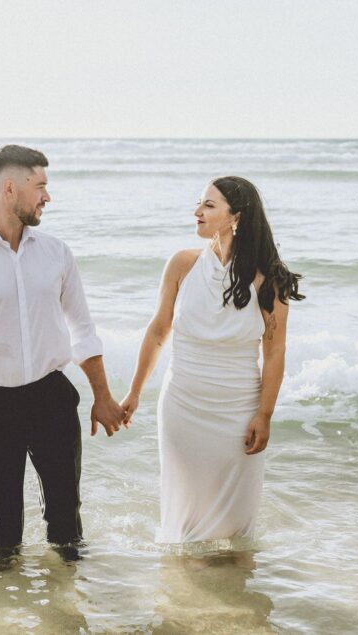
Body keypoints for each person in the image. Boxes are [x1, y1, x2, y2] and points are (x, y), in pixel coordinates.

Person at [0, 144, 125, 552]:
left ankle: (67, 611)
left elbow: (83, 330)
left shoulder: (57, 253)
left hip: (52, 398)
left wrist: (102, 396)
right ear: (10, 189)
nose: (47, 197)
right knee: (1, 533)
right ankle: (1, 613)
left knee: (67, 524)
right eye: (40, 186)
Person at [120, 176, 303, 546]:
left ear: (235, 217)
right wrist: (134, 392)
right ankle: (185, 595)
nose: (197, 211)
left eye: (208, 205)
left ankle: (234, 592)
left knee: (235, 528)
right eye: (199, 203)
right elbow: (158, 331)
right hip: (182, 405)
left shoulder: (269, 281)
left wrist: (264, 415)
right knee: (185, 520)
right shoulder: (182, 265)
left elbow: (275, 352)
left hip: (239, 408)